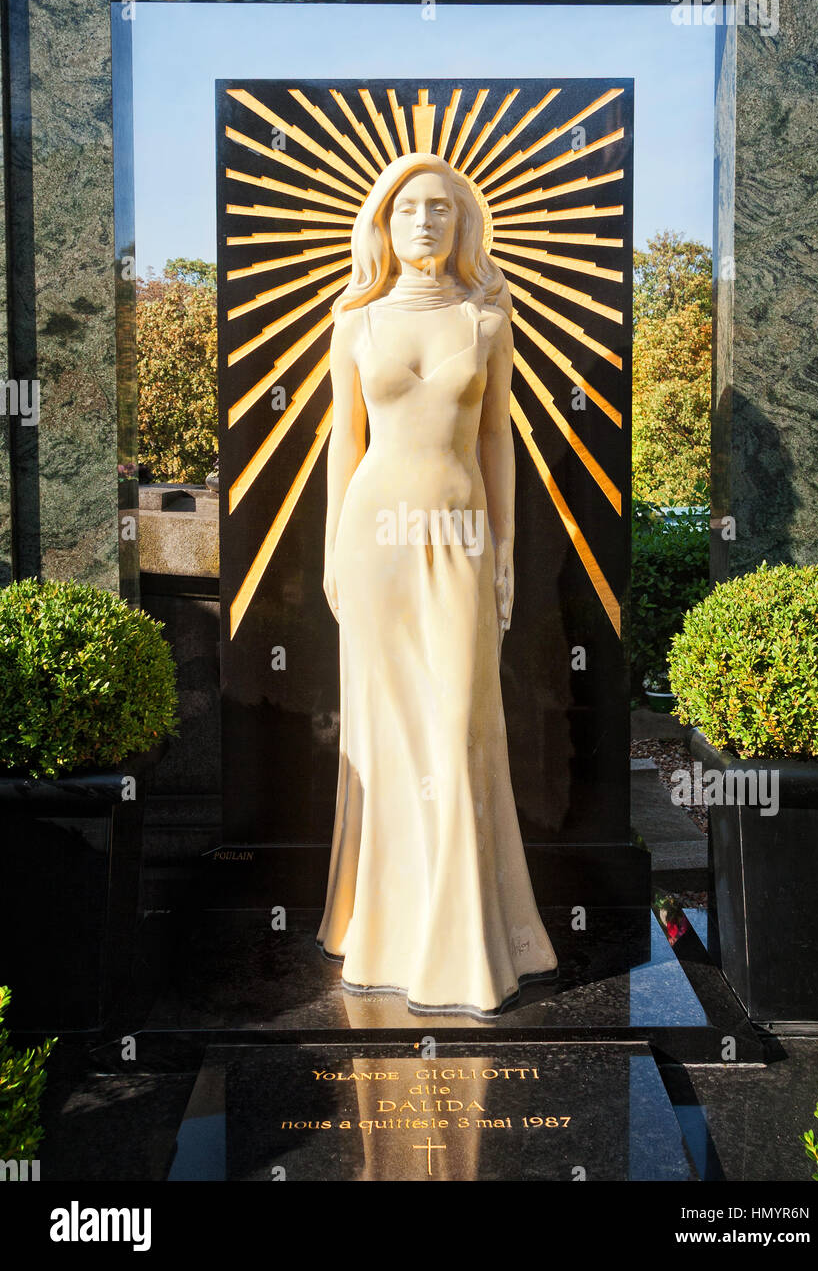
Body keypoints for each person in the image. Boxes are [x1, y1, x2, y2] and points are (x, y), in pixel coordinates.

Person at [318, 151, 557, 1015]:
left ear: (464, 225)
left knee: (458, 725)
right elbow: (346, 443)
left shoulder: (490, 323)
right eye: (409, 207)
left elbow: (498, 440)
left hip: (459, 537)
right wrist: (330, 550)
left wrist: (504, 546)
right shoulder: (356, 324)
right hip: (374, 542)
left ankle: (471, 943)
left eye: (442, 209)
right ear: (383, 222)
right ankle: (384, 931)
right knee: (390, 737)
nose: (425, 220)